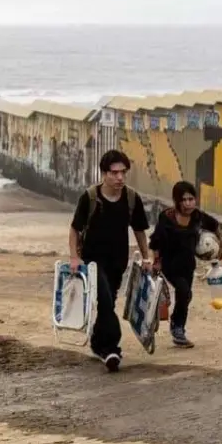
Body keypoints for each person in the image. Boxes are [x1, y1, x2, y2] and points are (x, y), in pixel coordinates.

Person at [68, 149, 151, 372]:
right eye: (114, 173)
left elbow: (140, 230)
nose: (120, 178)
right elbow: (75, 229)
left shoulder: (132, 198)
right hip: (92, 261)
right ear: (104, 173)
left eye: (123, 173)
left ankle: (97, 342)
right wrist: (74, 257)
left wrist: (146, 257)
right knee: (105, 300)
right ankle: (111, 349)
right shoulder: (90, 197)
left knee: (109, 303)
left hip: (118, 261)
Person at [148, 181, 222, 349]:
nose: (189, 203)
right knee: (184, 291)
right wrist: (157, 261)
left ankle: (178, 327)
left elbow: (215, 226)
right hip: (170, 264)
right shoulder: (166, 218)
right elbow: (156, 241)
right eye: (185, 200)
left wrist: (220, 246)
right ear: (177, 201)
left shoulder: (197, 216)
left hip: (188, 265)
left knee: (186, 296)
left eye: (191, 199)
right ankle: (177, 328)